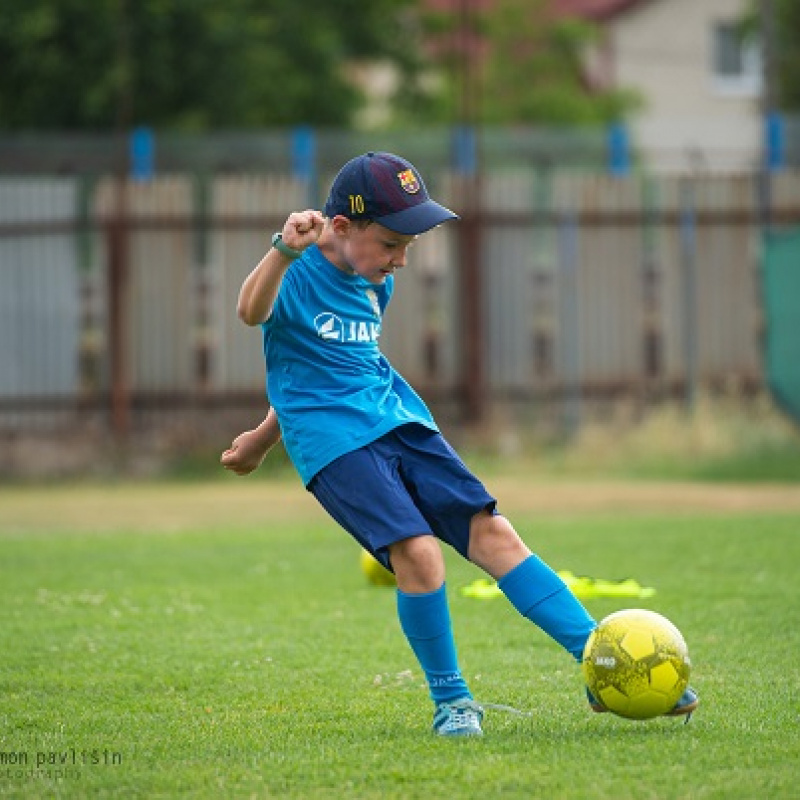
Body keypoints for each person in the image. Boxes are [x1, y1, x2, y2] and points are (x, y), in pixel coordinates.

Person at [221, 151, 698, 736]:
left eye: (408, 247)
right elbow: (250, 312)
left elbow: (320, 367)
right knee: (418, 554)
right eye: (393, 242)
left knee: (495, 534)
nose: (399, 260)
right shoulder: (293, 271)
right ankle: (452, 701)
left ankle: (601, 667)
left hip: (401, 420)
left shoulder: (375, 284)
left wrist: (262, 438)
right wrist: (282, 249)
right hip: (334, 444)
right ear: (342, 227)